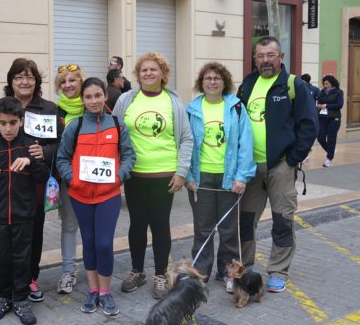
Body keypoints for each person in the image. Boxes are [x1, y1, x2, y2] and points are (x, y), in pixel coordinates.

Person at [0, 58, 63, 303]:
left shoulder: (47, 108)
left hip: (35, 182)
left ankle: (30, 278)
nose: (24, 82)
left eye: (30, 77)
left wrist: (43, 153)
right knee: (2, 238)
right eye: (18, 77)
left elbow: (60, 144)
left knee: (32, 233)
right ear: (10, 81)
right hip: (5, 186)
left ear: (36, 81)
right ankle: (4, 279)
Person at [237, 36, 317, 293]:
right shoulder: (247, 84)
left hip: (281, 165)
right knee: (246, 220)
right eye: (260, 56)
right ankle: (245, 267)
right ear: (254, 59)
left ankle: (278, 271)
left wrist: (293, 159)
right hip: (251, 167)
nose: (265, 60)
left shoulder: (294, 85)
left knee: (282, 220)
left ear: (281, 57)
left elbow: (309, 125)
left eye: (270, 55)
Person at [112, 52, 193, 299]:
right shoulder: (127, 100)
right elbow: (113, 132)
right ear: (138, 74)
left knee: (160, 225)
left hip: (164, 175)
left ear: (162, 73)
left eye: (153, 69)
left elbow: (187, 139)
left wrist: (181, 172)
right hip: (134, 175)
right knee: (136, 224)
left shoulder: (174, 102)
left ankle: (160, 274)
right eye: (144, 70)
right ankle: (137, 271)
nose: (148, 73)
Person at [57, 77, 135, 316]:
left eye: (97, 96)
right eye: (88, 97)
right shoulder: (75, 126)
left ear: (105, 97)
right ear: (82, 99)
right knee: (89, 244)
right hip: (80, 196)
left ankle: (105, 292)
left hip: (108, 196)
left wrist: (118, 177)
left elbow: (130, 156)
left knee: (104, 244)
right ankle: (92, 290)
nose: (93, 101)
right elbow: (61, 158)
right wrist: (73, 180)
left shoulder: (117, 124)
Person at [0, 96, 49, 325]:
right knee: (0, 257)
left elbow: (43, 175)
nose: (8, 128)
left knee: (22, 258)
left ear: (21, 120)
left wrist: (31, 162)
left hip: (24, 214)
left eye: (13, 122)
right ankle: (2, 297)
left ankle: (20, 299)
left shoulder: (30, 145)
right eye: (3, 123)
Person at [185, 62, 256, 290]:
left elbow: (246, 143)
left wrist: (242, 177)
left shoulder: (236, 107)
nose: (212, 82)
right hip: (201, 177)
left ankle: (228, 272)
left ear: (224, 82)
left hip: (229, 178)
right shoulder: (192, 109)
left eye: (217, 78)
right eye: (208, 78)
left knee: (228, 230)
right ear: (201, 83)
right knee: (203, 228)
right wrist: (187, 175)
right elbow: (184, 144)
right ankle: (201, 272)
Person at [54, 63, 86, 294]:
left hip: (93, 178)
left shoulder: (94, 107)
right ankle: (68, 270)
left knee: (92, 226)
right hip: (66, 178)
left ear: (81, 83)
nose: (68, 85)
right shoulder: (54, 112)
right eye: (63, 82)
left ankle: (95, 269)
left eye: (72, 80)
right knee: (69, 225)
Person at [316, 75, 344, 168]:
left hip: (334, 118)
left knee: (331, 139)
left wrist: (326, 106)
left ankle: (329, 159)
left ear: (332, 83)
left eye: (327, 83)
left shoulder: (339, 92)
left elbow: (339, 105)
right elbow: (319, 101)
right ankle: (330, 150)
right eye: (324, 84)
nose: (325, 85)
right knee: (320, 137)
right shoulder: (322, 92)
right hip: (322, 118)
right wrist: (319, 105)